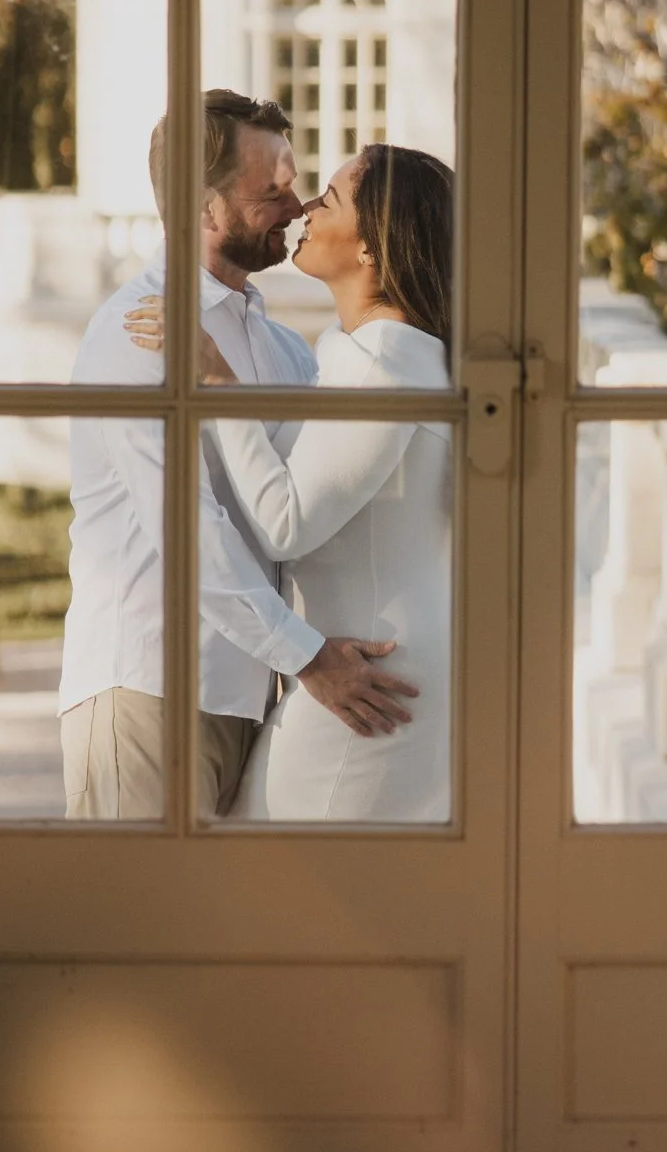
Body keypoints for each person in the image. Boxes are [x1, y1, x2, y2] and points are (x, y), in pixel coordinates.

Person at [58, 91, 419, 819]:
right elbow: (188, 534)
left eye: (294, 183)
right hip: (147, 692)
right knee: (136, 931)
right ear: (204, 207)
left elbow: (308, 501)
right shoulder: (140, 334)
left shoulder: (279, 346)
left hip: (249, 696)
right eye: (271, 192)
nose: (294, 206)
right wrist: (311, 659)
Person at [128, 143, 454, 823]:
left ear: (372, 247)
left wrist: (215, 381)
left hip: (370, 684)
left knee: (277, 891)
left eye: (329, 199)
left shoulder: (385, 361)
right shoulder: (365, 352)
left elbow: (286, 520)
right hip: (362, 673)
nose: (304, 206)